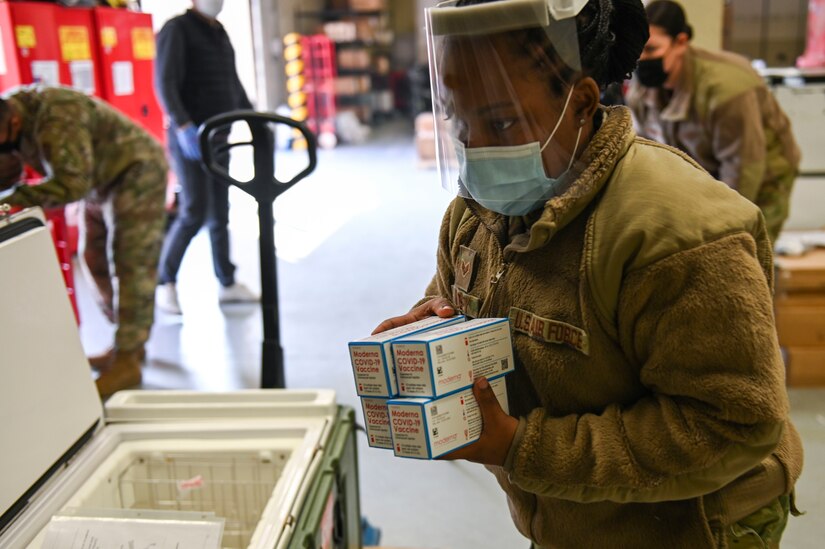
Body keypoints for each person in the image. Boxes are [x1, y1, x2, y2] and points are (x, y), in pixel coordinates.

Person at [373, 0, 803, 546]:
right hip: (575, 514)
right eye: (461, 118)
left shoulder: (676, 235)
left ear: (580, 101)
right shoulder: (477, 216)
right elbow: (461, 298)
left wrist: (521, 449)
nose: (474, 145)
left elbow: (733, 423)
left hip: (692, 526)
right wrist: (431, 331)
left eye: (501, 120)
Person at [0, 85, 168, 398]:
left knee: (130, 261)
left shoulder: (56, 115)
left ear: (13, 124)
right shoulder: (13, 116)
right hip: (99, 182)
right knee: (92, 258)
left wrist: (13, 199)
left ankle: (129, 359)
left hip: (135, 172)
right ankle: (127, 340)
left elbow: (70, 184)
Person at [625, 0, 800, 245]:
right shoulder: (642, 89)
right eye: (638, 51)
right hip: (707, 168)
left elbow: (743, 172)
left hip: (761, 173)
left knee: (746, 252)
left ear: (681, 42)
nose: (642, 60)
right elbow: (650, 154)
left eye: (652, 50)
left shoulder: (726, 90)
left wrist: (720, 231)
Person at [154, 0, 257, 315]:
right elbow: (165, 83)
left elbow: (231, 82)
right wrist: (184, 125)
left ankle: (226, 283)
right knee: (194, 210)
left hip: (219, 137)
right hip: (190, 139)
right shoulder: (177, 29)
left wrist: (255, 118)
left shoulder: (219, 31)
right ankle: (165, 283)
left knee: (220, 213)